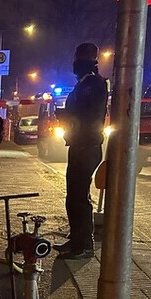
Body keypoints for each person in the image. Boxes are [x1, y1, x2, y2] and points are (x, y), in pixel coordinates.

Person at [54, 42, 109, 260]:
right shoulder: (84, 82)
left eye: (79, 58)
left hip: (87, 146)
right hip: (79, 145)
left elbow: (87, 113)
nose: (75, 63)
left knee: (79, 197)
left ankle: (84, 244)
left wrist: (66, 115)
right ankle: (76, 238)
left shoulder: (93, 83)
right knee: (73, 196)